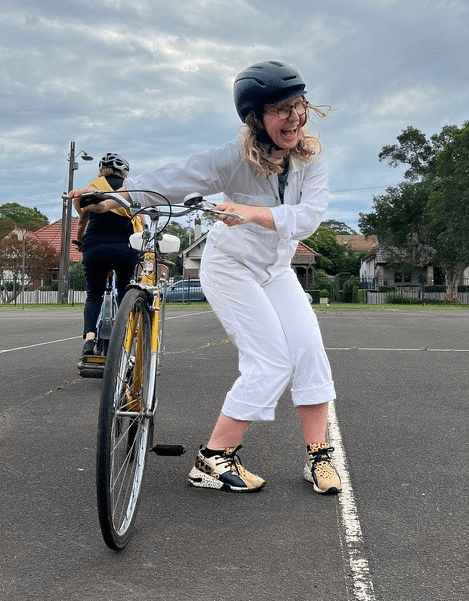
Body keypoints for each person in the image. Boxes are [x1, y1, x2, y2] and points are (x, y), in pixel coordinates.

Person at [71, 61, 341, 495]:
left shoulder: (310, 162)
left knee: (309, 349)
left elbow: (308, 218)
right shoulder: (231, 160)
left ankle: (317, 455)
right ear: (256, 118)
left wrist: (251, 213)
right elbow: (170, 179)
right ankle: (213, 459)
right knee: (271, 360)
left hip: (275, 271)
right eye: (281, 110)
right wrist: (110, 199)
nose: (294, 118)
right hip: (229, 266)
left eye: (298, 106)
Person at [74, 153, 144, 357]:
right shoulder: (131, 188)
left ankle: (89, 339)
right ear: (124, 172)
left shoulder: (94, 187)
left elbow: (81, 222)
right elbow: (142, 221)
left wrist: (80, 241)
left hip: (96, 245)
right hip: (125, 246)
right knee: (124, 289)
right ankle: (125, 336)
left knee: (94, 295)